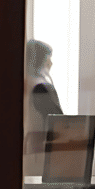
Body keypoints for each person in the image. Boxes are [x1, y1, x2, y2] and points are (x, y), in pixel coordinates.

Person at [25, 38, 64, 168]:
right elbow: (59, 122)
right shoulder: (42, 87)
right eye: (48, 58)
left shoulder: (26, 83)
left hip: (28, 150)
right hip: (41, 154)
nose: (51, 63)